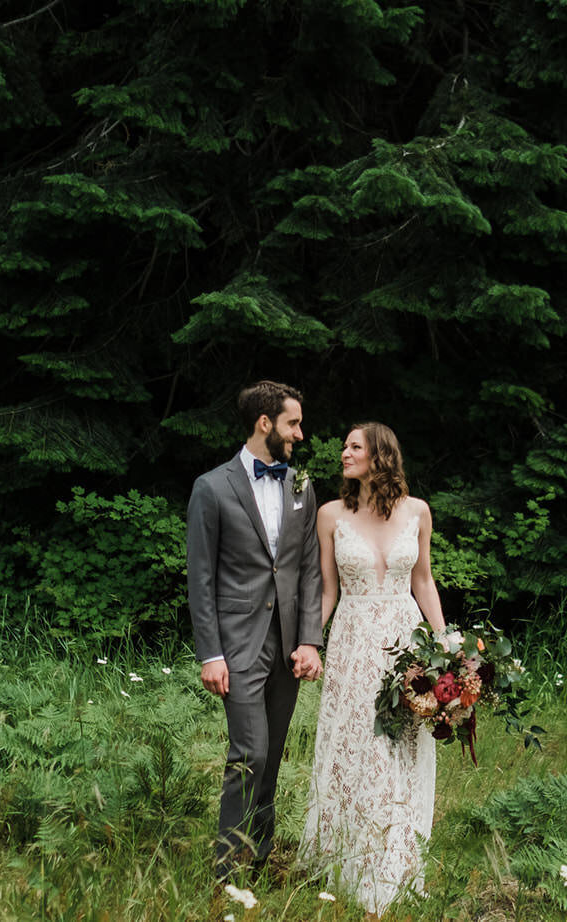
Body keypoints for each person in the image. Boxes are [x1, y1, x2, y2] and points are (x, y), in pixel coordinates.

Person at [301, 421, 446, 914]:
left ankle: (394, 863)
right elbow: (327, 592)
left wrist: (444, 645)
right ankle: (350, 859)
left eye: (354, 446)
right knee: (359, 745)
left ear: (381, 454)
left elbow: (423, 582)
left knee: (400, 746)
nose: (344, 452)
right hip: (354, 641)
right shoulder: (329, 516)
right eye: (344, 445)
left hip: (405, 639)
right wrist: (308, 643)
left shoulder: (418, 512)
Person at [187, 380, 325, 883]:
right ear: (264, 423)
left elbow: (308, 569)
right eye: (293, 423)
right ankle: (226, 869)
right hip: (237, 643)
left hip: (287, 641)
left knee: (273, 755)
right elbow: (200, 579)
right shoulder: (212, 487)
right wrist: (210, 654)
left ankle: (261, 859)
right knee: (250, 751)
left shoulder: (301, 485)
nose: (300, 433)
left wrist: (309, 639)